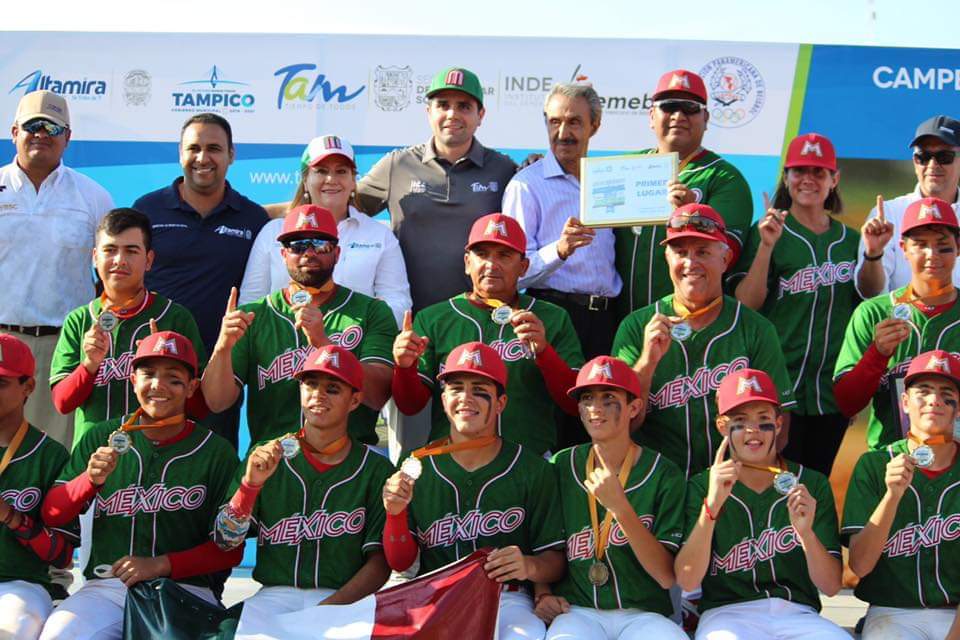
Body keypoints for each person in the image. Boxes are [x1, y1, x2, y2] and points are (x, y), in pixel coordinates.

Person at [37, 331, 241, 640]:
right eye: (148, 374)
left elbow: (229, 551)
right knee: (60, 635)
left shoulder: (216, 452)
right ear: (132, 380)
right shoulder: (100, 437)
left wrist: (160, 565)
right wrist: (88, 481)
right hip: (108, 587)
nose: (158, 386)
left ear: (191, 388)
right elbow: (52, 513)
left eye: (173, 378)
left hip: (186, 588)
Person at [382, 342, 565, 640]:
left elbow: (555, 562)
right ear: (443, 400)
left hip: (507, 597)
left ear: (501, 403)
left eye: (479, 389)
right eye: (456, 388)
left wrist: (528, 565)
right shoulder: (416, 466)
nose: (466, 398)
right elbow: (400, 562)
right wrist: (394, 515)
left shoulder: (532, 469)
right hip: (434, 594)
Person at [213, 345, 393, 628]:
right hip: (273, 596)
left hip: (345, 599)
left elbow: (380, 564)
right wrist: (249, 487)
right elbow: (224, 540)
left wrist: (325, 611)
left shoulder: (376, 469)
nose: (318, 395)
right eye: (310, 385)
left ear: (355, 400)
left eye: (333, 388)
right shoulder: (266, 454)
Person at [612, 204, 795, 479]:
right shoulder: (637, 327)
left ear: (726, 259)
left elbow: (779, 435)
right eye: (680, 252)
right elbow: (619, 427)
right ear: (667, 257)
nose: (690, 262)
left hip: (733, 483)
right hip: (654, 485)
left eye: (702, 252)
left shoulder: (755, 329)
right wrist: (647, 363)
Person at [202, 205, 396, 448]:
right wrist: (222, 348)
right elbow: (216, 402)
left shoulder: (371, 311)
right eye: (297, 245)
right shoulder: (254, 314)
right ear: (283, 255)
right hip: (271, 460)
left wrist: (323, 344)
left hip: (350, 462)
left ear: (336, 253)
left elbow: (378, 396)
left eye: (320, 244)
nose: (309, 252)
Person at [391, 213, 584, 455]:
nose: (491, 264)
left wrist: (544, 353)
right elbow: (410, 405)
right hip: (453, 463)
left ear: (524, 267)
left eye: (504, 255)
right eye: (482, 254)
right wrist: (404, 367)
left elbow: (574, 404)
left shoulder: (552, 317)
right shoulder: (433, 318)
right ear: (467, 262)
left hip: (529, 462)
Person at [676, 368, 844, 640]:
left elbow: (831, 585)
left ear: (778, 424)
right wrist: (712, 507)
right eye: (740, 420)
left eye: (763, 418)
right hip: (727, 614)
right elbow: (686, 579)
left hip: (798, 614)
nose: (753, 430)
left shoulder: (810, 484)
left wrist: (806, 534)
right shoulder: (701, 486)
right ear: (722, 426)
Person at [132, 113, 268, 448]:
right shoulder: (147, 210)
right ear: (180, 153)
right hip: (154, 367)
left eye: (214, 148)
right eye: (193, 148)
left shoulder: (253, 218)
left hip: (217, 372)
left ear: (231, 155)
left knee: (211, 470)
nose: (202, 158)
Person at [729, 133, 860, 476]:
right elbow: (746, 303)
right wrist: (766, 248)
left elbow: (865, 303)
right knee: (775, 481)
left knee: (817, 481)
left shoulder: (852, 241)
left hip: (829, 392)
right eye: (799, 170)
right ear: (786, 177)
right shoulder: (766, 232)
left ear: (835, 179)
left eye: (818, 172)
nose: (808, 180)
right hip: (777, 384)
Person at [537, 356, 687, 640]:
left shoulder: (664, 473)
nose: (595, 408)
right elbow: (543, 544)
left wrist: (620, 508)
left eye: (608, 398)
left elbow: (666, 576)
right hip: (578, 611)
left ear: (634, 407)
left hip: (645, 614)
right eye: (587, 398)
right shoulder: (561, 465)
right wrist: (542, 594)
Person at [0, 90, 114, 448]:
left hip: (64, 348)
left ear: (68, 137)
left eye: (53, 126)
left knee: (55, 456)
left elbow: (110, 277)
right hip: (1, 346)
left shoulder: (93, 196)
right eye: (33, 125)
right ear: (15, 131)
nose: (42, 133)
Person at [355, 66, 517, 312]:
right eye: (443, 104)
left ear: (480, 115)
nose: (452, 114)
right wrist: (279, 212)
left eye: (464, 106)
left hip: (481, 319)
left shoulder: (503, 170)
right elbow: (338, 205)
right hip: (410, 316)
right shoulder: (398, 165)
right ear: (428, 112)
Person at [49, 208, 205, 446]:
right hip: (93, 453)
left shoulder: (174, 317)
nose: (119, 260)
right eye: (110, 250)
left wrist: (166, 364)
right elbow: (63, 403)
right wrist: (89, 365)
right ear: (95, 257)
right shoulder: (79, 320)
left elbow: (201, 407)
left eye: (131, 251)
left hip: (158, 457)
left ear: (149, 260)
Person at [614, 69, 752, 316]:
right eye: (669, 106)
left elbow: (725, 258)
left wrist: (693, 218)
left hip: (689, 323)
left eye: (689, 107)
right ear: (651, 116)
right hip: (618, 321)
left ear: (706, 118)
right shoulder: (625, 168)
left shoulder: (724, 178)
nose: (678, 115)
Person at [844, 349, 960, 639]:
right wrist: (891, 496)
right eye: (924, 391)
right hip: (892, 612)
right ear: (905, 402)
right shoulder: (873, 465)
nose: (934, 400)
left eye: (946, 392)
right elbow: (860, 565)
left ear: (959, 408)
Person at [239, 134, 411, 324]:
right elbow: (251, 302)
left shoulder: (379, 235)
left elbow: (398, 303)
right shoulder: (273, 232)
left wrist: (355, 329)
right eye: (321, 171)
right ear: (305, 179)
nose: (331, 179)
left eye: (341, 171)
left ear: (354, 180)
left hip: (355, 347)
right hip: (281, 349)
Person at [503, 82, 621, 360]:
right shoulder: (526, 186)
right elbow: (512, 270)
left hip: (609, 319)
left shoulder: (611, 181)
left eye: (575, 122)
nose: (563, 133)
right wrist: (559, 250)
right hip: (553, 315)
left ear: (595, 125)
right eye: (555, 122)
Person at [834, 197, 960, 450]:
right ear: (903, 248)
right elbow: (847, 403)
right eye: (920, 245)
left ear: (958, 247)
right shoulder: (873, 312)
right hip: (889, 458)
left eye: (943, 246)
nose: (931, 255)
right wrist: (877, 354)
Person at [0, 334, 78, 639]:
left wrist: (10, 516)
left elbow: (62, 556)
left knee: (12, 630)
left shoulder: (51, 455)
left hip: (21, 583)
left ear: (28, 387)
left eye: (1, 383)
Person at [855, 115, 960, 298]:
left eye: (944, 157)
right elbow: (870, 293)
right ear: (915, 162)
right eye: (924, 157)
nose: (932, 165)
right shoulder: (887, 214)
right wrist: (873, 254)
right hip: (902, 325)